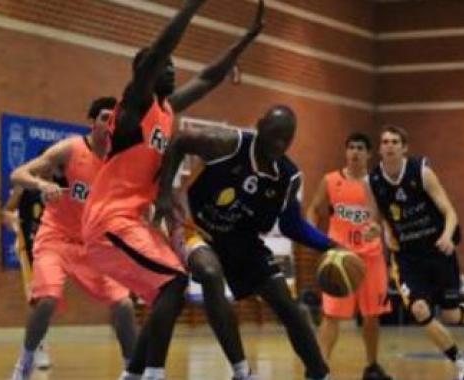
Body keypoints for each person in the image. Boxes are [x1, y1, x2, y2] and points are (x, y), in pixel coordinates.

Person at [78, 2, 263, 379]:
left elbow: (210, 77)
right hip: (108, 220)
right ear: (145, 73)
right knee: (173, 284)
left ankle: (134, 373)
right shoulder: (132, 108)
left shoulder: (167, 109)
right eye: (166, 66)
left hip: (132, 222)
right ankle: (152, 374)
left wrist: (245, 39)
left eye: (175, 66)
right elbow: (160, 48)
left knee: (171, 289)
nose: (173, 70)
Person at [155, 105, 334, 380]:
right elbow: (180, 140)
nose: (279, 144)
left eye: (286, 139)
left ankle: (320, 373)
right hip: (195, 227)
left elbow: (291, 225)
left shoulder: (288, 177)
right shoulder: (228, 144)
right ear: (259, 125)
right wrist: (165, 194)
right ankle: (242, 372)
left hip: (242, 241)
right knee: (211, 273)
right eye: (274, 135)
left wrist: (331, 246)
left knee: (288, 305)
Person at [9, 97, 139, 380]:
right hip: (56, 238)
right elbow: (18, 174)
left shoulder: (119, 162)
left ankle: (133, 370)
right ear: (92, 122)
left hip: (94, 245)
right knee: (47, 299)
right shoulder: (71, 149)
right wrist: (43, 184)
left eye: (114, 119)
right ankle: (25, 362)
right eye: (104, 117)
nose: (109, 124)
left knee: (125, 305)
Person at [365, 125, 464, 380]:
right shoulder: (374, 181)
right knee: (420, 310)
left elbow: (450, 211)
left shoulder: (421, 172)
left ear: (404, 148)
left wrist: (447, 235)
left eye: (394, 141)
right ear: (380, 149)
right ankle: (462, 366)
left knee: (451, 315)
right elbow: (376, 218)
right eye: (385, 142)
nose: (389, 145)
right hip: (407, 258)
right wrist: (373, 230)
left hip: (437, 251)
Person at [306, 132, 392, 380]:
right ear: (346, 152)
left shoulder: (378, 183)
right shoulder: (331, 180)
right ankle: (319, 369)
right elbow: (313, 209)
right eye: (351, 147)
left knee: (372, 315)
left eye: (360, 148)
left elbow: (386, 217)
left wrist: (380, 229)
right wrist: (312, 236)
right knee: (331, 315)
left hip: (371, 258)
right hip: (340, 257)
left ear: (369, 154)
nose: (355, 152)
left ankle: (372, 366)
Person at [3, 147, 67, 370]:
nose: (52, 168)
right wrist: (12, 222)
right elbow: (7, 211)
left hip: (54, 248)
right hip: (30, 248)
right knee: (38, 300)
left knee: (48, 299)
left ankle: (37, 345)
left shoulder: (63, 185)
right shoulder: (26, 185)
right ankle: (38, 347)